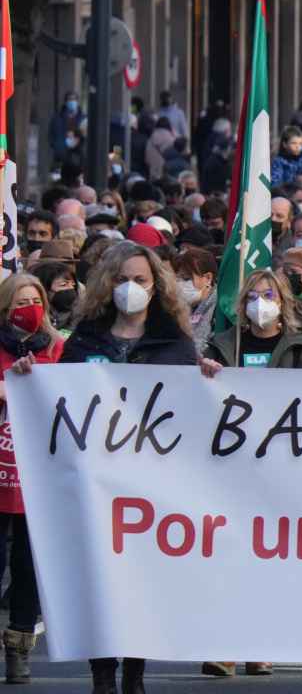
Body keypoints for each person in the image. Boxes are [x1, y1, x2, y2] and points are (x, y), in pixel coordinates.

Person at [41, 241, 201, 694]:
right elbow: (59, 398)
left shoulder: (174, 344)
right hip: (96, 482)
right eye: (121, 280)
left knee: (141, 582)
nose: (130, 288)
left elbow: (191, 410)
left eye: (140, 280)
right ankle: (102, 674)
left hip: (150, 484)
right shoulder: (85, 342)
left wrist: (207, 377)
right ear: (106, 284)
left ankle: (134, 673)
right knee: (99, 579)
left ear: (156, 287)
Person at [0, 275, 62, 683]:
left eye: (35, 299)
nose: (30, 307)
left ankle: (19, 649)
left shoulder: (59, 348)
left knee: (27, 569)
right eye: (21, 300)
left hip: (38, 481)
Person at [203, 269, 302, 371]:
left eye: (268, 295)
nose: (259, 302)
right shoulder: (221, 347)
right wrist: (205, 369)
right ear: (244, 304)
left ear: (282, 302)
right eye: (252, 296)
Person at [171, 246, 219, 352]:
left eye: (186, 278)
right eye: (177, 279)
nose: (180, 284)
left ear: (208, 278)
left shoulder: (220, 308)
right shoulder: (170, 305)